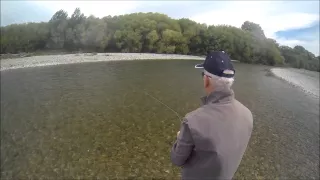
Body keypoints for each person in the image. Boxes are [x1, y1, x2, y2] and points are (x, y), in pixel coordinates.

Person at [170, 51, 253, 180]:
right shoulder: (248, 114)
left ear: (206, 80)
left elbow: (177, 159)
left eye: (203, 74)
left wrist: (179, 139)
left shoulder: (192, 121)